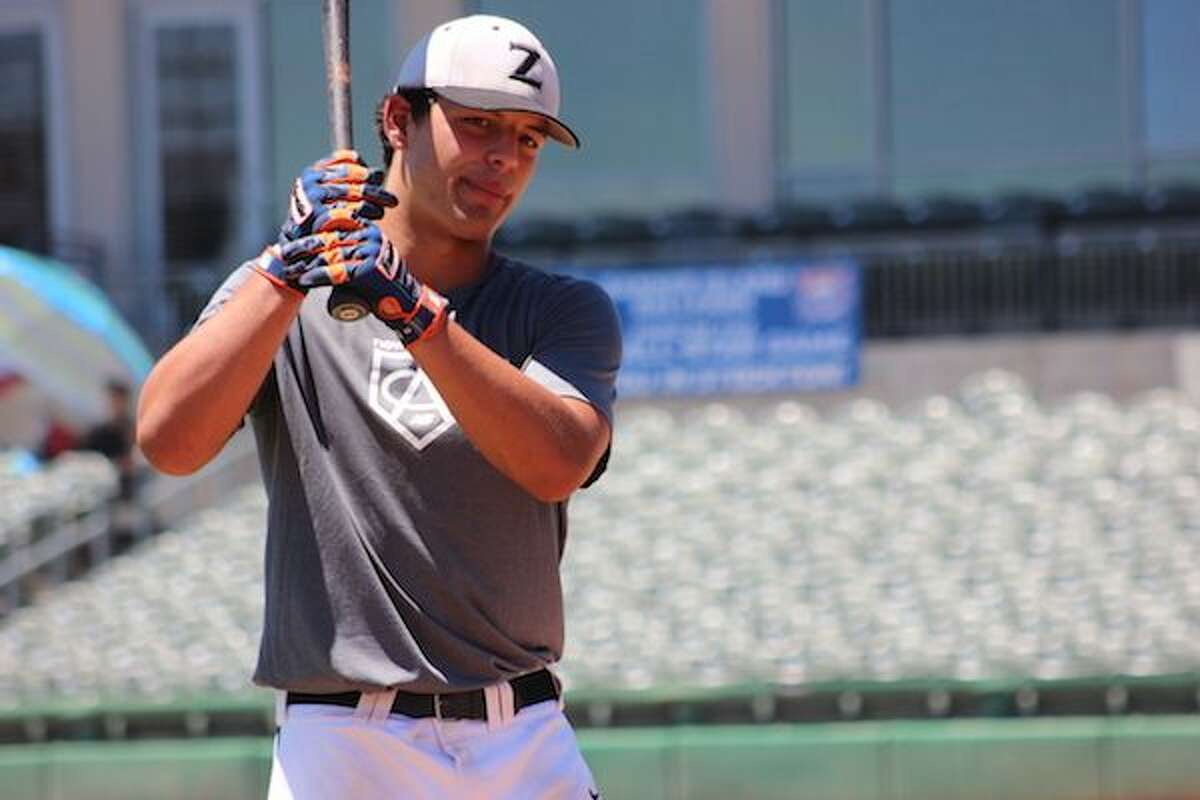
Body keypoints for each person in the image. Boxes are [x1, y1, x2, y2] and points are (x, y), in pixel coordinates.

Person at [136, 14, 619, 800]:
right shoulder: (284, 286)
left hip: (521, 738)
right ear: (399, 119)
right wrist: (286, 273)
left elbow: (557, 461)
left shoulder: (560, 309)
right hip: (345, 743)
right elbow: (167, 441)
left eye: (529, 138)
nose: (504, 157)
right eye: (478, 124)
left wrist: (415, 312)